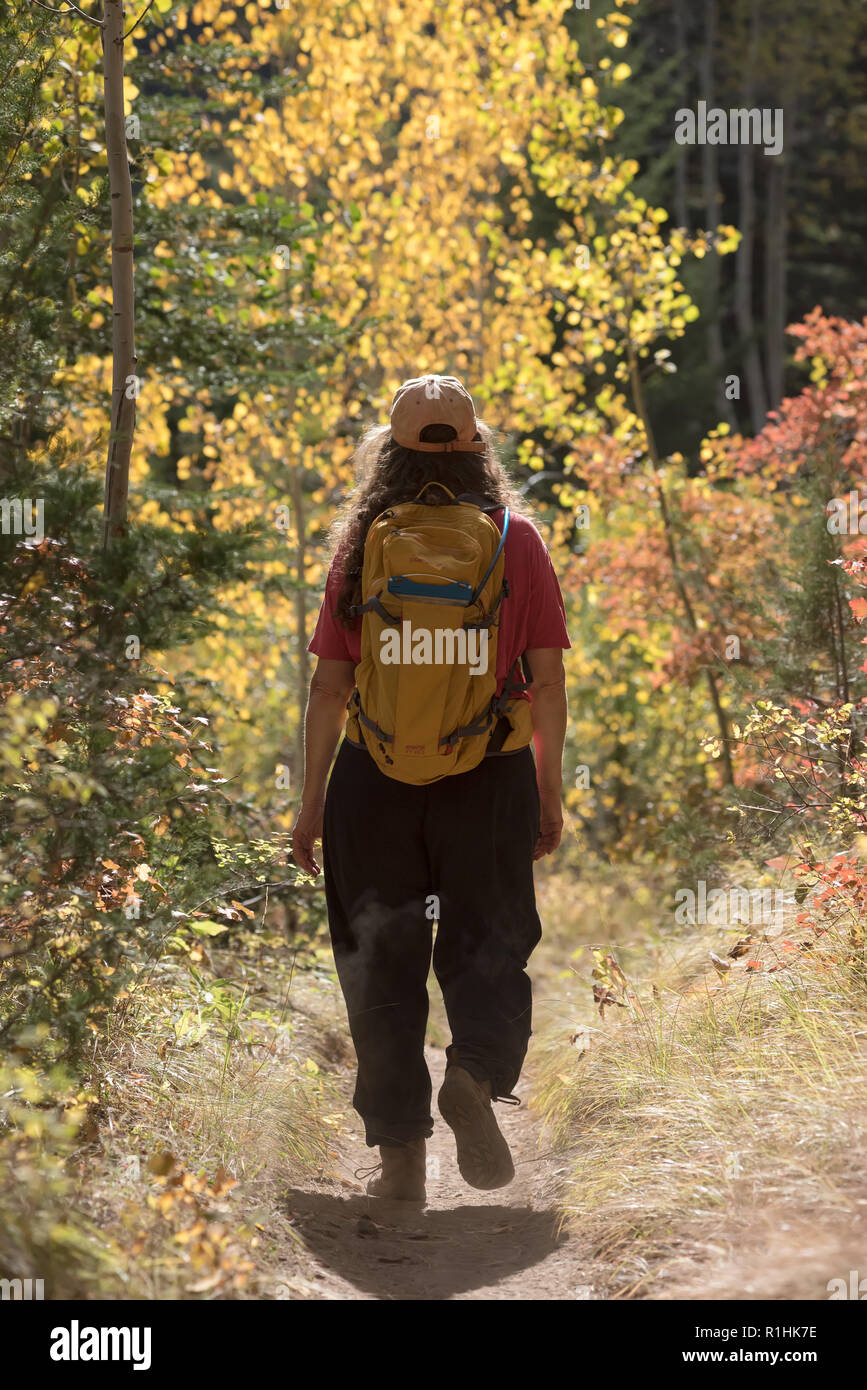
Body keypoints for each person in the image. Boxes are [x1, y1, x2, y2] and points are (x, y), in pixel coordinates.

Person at [291, 374, 570, 1203]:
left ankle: (401, 1164)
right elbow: (548, 684)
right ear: (477, 446)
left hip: (373, 778)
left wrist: (309, 806)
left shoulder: (364, 541)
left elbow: (327, 690)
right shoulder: (516, 540)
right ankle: (476, 1077)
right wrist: (547, 793)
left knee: (378, 960)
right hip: (486, 775)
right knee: (489, 942)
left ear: (392, 453)